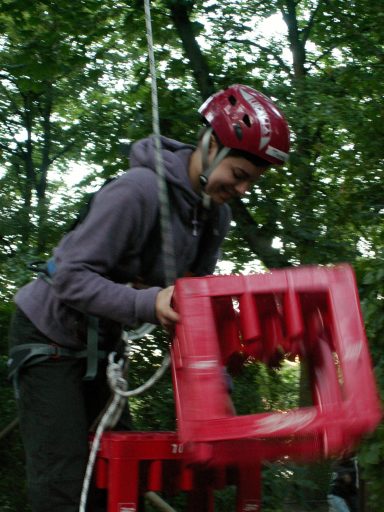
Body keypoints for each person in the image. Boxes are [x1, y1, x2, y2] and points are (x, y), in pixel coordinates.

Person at [8, 84, 290, 511]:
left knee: (118, 481)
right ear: (211, 146)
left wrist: (219, 388)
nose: (243, 188)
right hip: (49, 334)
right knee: (63, 485)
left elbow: (197, 310)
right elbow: (68, 276)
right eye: (238, 175)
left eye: (252, 181)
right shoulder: (137, 191)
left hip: (101, 346)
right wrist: (148, 303)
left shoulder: (215, 216)